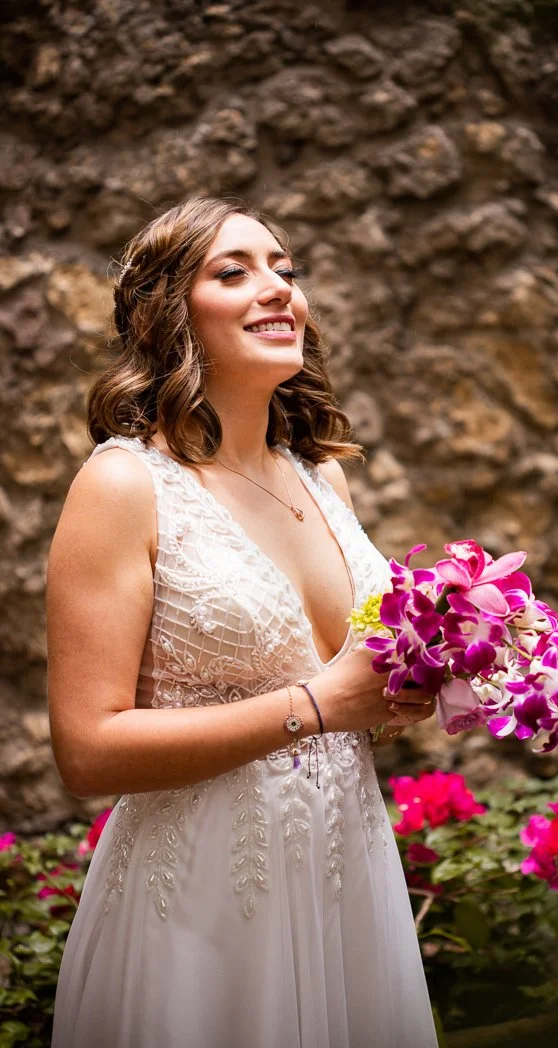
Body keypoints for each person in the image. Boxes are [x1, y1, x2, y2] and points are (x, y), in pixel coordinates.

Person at [46, 195, 440, 1048]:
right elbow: (87, 749)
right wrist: (320, 704)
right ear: (165, 314)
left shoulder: (320, 479)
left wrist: (401, 695)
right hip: (205, 902)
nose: (277, 288)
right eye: (233, 272)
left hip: (346, 880)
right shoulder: (124, 485)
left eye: (284, 270)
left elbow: (348, 692)